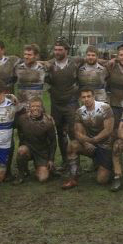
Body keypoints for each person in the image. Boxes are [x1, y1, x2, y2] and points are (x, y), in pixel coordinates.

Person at [61, 87, 115, 189]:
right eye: (83, 97)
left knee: (102, 180)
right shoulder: (79, 111)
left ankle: (109, 167)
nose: (86, 99)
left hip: (105, 145)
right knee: (72, 145)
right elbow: (78, 132)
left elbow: (108, 130)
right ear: (80, 99)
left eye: (89, 96)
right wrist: (86, 143)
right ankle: (73, 177)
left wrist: (93, 140)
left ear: (94, 97)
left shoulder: (105, 108)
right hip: (91, 145)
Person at [45, 38, 84, 169]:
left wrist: (112, 60)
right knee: (60, 132)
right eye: (55, 50)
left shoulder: (75, 62)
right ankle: (65, 161)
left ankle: (75, 162)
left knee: (73, 132)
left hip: (71, 103)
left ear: (66, 50)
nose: (57, 52)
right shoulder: (49, 64)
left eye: (60, 50)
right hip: (56, 104)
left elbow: (93, 59)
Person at [15, 97, 58, 183]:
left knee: (43, 179)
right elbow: (19, 132)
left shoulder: (48, 122)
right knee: (21, 150)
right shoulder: (22, 119)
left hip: (42, 152)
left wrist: (51, 159)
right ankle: (21, 174)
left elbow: (53, 142)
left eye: (38, 106)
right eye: (33, 106)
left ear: (42, 108)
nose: (35, 108)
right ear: (29, 107)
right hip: (29, 149)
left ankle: (45, 168)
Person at [13, 44, 47, 112]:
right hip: (21, 107)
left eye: (29, 55)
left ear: (36, 56)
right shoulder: (17, 68)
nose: (26, 57)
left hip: (36, 107)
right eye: (25, 54)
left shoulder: (43, 69)